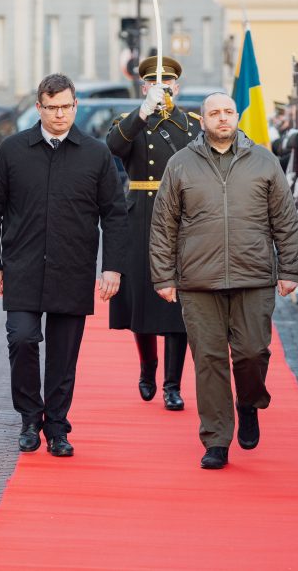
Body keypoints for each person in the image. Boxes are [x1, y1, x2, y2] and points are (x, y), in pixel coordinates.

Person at [149, 93, 298, 469]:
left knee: (253, 352)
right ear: (201, 120)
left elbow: (285, 219)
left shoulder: (264, 160)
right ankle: (216, 439)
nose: (222, 118)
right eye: (214, 113)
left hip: (254, 276)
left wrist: (290, 269)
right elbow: (164, 224)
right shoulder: (180, 164)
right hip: (198, 280)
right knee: (209, 359)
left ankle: (248, 402)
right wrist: (164, 276)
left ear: (237, 117)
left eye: (228, 112)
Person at [0, 73, 129, 458]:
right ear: (39, 108)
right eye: (52, 107)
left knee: (64, 355)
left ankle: (57, 428)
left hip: (72, 268)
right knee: (23, 339)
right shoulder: (12, 150)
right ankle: (30, 418)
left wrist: (112, 267)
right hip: (22, 266)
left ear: (75, 105)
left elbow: (114, 213)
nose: (60, 114)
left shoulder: (95, 154)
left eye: (66, 106)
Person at [106, 56, 199, 411]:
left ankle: (172, 385)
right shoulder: (131, 122)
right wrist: (144, 111)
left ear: (177, 86)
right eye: (154, 84)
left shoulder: (191, 125)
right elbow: (114, 147)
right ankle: (148, 368)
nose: (163, 89)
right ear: (144, 87)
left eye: (169, 83)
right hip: (140, 214)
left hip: (179, 214)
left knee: (178, 301)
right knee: (141, 298)